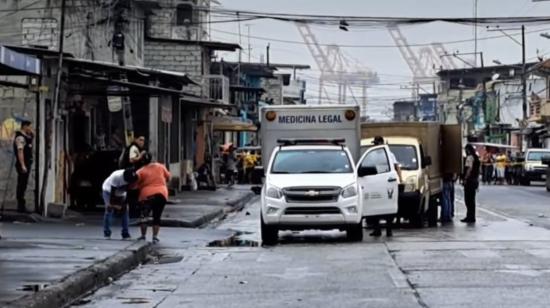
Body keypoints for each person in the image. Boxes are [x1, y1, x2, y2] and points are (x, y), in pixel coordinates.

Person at [134, 154, 170, 244]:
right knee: (157, 216)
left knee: (144, 216)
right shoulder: (161, 167)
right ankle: (155, 237)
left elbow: (134, 185)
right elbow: (168, 177)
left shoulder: (140, 171)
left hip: (146, 195)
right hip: (162, 194)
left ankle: (143, 236)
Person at [368, 136, 399, 237]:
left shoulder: (389, 154)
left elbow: (396, 167)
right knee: (375, 206)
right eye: (375, 143)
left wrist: (400, 179)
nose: (375, 145)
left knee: (388, 207)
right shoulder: (372, 155)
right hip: (375, 183)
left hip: (387, 183)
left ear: (381, 142)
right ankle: (377, 229)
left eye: (376, 143)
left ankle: (389, 230)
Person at [102, 168, 138, 239]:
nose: (130, 183)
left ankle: (125, 233)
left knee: (125, 211)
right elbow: (112, 196)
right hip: (108, 191)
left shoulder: (134, 178)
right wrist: (115, 206)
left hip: (122, 194)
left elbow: (131, 194)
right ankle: (107, 232)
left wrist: (124, 205)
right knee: (109, 209)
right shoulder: (116, 176)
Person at [13, 120, 34, 213]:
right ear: (25, 126)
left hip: (27, 163)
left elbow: (32, 137)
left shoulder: (27, 137)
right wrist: (23, 165)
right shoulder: (20, 138)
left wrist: (32, 133)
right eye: (29, 127)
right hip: (23, 164)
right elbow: (20, 152)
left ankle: (22, 205)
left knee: (24, 184)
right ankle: (20, 205)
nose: (31, 129)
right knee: (21, 184)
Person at [462, 144, 480, 223]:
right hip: (475, 180)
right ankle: (471, 216)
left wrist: (465, 178)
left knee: (468, 200)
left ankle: (469, 216)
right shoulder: (476, 158)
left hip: (470, 181)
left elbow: (469, 168)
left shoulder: (469, 157)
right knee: (472, 200)